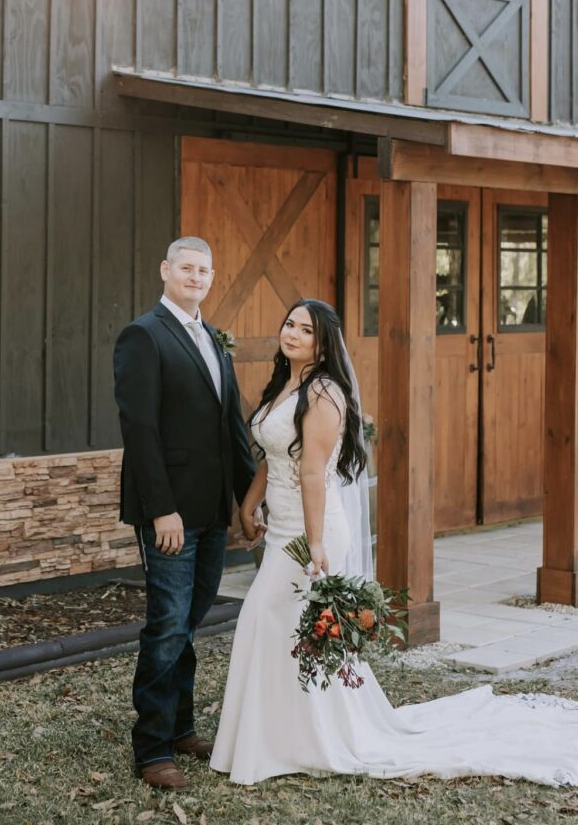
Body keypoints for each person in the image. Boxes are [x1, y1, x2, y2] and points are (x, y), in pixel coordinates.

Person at [211, 298, 578, 787]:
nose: (292, 333)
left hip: (310, 532)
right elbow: (272, 455)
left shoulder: (323, 393)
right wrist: (248, 504)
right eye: (289, 324)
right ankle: (281, 737)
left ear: (323, 345)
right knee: (282, 630)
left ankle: (308, 738)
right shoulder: (285, 385)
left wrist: (316, 543)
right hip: (280, 528)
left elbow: (314, 472)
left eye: (305, 329)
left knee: (266, 617)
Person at [113, 236, 254, 791]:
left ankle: (181, 727)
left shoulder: (213, 339)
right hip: (170, 515)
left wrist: (247, 501)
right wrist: (161, 511)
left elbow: (231, 430)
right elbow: (140, 430)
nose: (197, 277)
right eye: (187, 268)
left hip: (213, 511)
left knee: (190, 624)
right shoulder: (143, 335)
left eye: (205, 270)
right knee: (167, 625)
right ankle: (152, 749)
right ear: (165, 269)